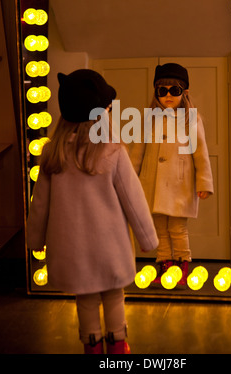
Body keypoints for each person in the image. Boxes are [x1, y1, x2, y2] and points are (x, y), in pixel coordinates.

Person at [27, 69, 158, 354]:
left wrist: (35, 241)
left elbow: (40, 206)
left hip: (72, 251)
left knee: (85, 299)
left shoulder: (52, 154)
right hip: (109, 249)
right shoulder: (112, 152)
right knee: (114, 296)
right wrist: (148, 240)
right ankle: (118, 345)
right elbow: (134, 202)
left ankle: (92, 346)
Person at [129, 63, 214, 285]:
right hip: (151, 183)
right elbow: (136, 152)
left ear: (184, 93)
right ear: (156, 93)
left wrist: (204, 183)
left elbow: (200, 153)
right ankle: (165, 264)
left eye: (174, 90)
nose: (168, 96)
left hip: (180, 184)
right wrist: (130, 180)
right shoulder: (147, 120)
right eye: (162, 90)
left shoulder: (191, 120)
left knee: (177, 227)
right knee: (159, 227)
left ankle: (182, 265)